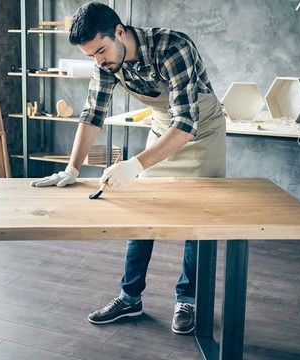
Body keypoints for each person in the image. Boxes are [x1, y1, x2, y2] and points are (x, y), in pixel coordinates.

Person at [30, 2, 226, 335]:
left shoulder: (173, 47)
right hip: (164, 128)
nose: (98, 61)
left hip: (201, 131)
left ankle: (188, 298)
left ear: (120, 32)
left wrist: (135, 165)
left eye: (101, 51)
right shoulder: (105, 61)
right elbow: (93, 114)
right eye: (91, 55)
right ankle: (130, 297)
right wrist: (72, 170)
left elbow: (187, 123)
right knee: (142, 212)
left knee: (197, 219)